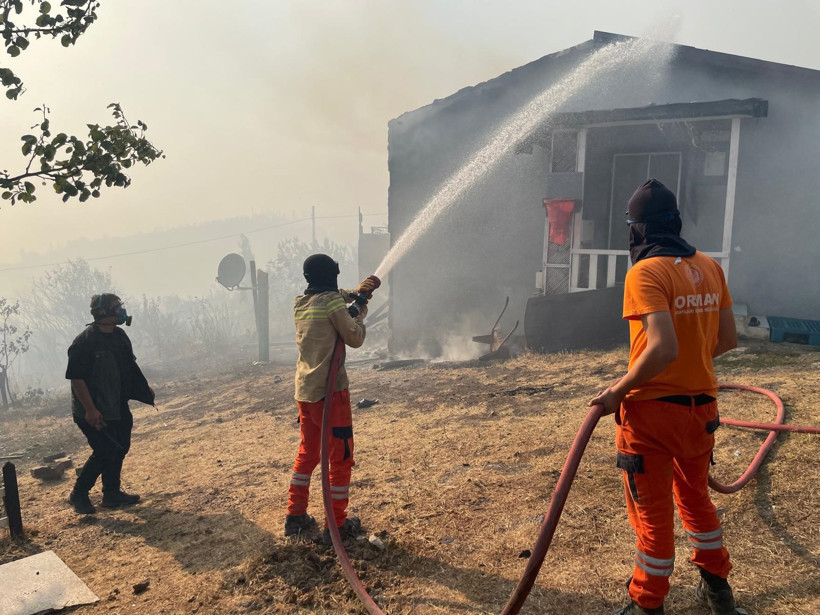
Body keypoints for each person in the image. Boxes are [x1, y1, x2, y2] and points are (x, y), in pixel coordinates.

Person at [590, 179, 746, 615]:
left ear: (637, 230)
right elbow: (727, 339)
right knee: (696, 499)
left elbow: (662, 348)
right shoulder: (710, 267)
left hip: (652, 416)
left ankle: (647, 604)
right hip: (701, 411)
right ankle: (719, 593)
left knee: (653, 518)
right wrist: (687, 366)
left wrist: (616, 391)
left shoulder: (646, 272)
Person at [284, 254, 376, 545]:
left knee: (309, 453)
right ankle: (336, 526)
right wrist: (359, 310)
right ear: (333, 274)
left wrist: (358, 292)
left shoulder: (301, 302)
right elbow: (354, 337)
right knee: (341, 458)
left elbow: (333, 296)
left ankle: (295, 516)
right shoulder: (334, 303)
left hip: (305, 392)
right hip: (331, 393)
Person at [66, 294, 154, 515]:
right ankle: (79, 494)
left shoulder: (120, 336)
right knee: (105, 450)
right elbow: (77, 379)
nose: (121, 311)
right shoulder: (84, 343)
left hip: (117, 405)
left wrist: (144, 389)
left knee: (121, 446)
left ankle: (112, 494)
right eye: (117, 307)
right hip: (93, 410)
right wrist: (90, 410)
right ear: (103, 313)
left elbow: (130, 367)